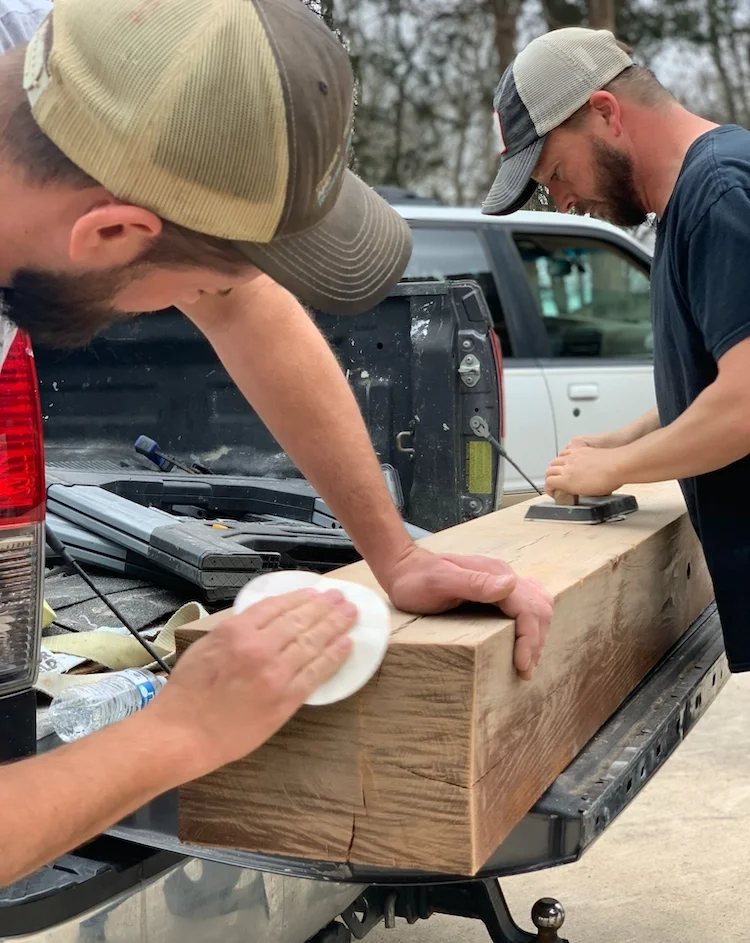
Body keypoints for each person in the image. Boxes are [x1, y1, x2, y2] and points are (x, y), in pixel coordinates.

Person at [0, 0, 554, 886]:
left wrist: (395, 556)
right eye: (216, 272)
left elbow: (241, 303)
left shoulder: (58, 64)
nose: (224, 295)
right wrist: (173, 737)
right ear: (110, 232)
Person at [482, 23, 750, 676]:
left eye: (554, 173)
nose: (565, 202)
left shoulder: (721, 195)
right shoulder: (701, 195)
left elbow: (745, 404)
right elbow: (720, 379)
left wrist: (617, 467)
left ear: (605, 113)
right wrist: (628, 435)